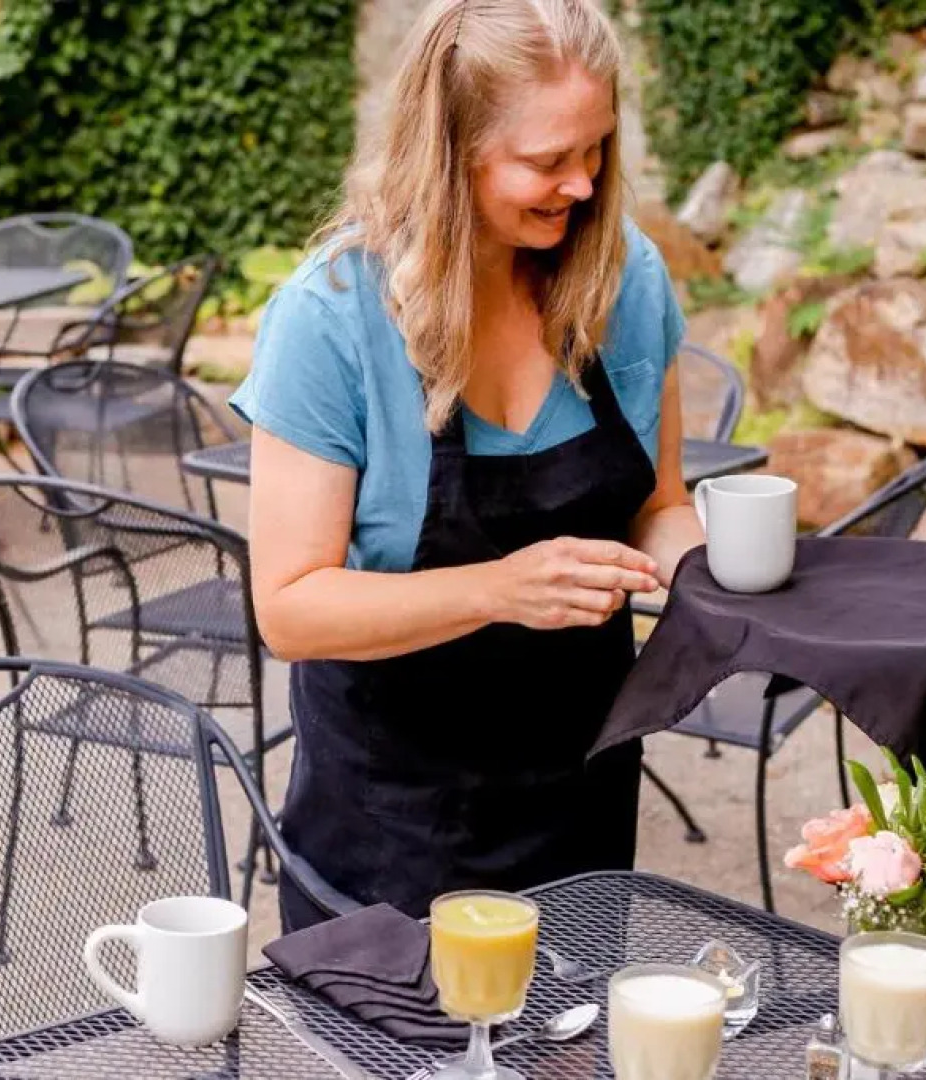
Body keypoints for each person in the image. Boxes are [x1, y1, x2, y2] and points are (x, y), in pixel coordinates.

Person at [229, 0, 704, 931]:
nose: (582, 183)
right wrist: (499, 588)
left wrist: (731, 587)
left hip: (580, 792)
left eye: (598, 148)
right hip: (392, 822)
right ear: (451, 148)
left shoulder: (625, 278)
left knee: (573, 1057)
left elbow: (659, 505)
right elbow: (288, 607)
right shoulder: (332, 318)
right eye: (547, 160)